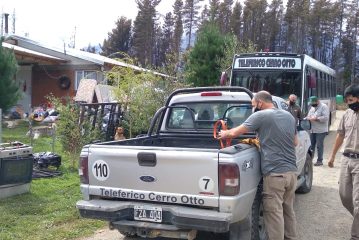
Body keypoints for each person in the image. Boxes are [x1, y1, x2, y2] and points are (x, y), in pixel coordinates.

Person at [218, 91, 298, 240]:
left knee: (274, 213)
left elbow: (234, 133)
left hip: (275, 175)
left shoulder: (260, 115)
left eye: (254, 105)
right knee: (288, 210)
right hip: (292, 173)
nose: (253, 108)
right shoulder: (289, 116)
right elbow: (295, 142)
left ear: (260, 103)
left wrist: (223, 133)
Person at [328, 84, 359, 240]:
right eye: (347, 100)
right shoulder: (347, 113)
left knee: (358, 203)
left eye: (351, 99)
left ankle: (355, 235)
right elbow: (340, 135)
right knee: (344, 196)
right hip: (346, 159)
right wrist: (332, 155)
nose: (349, 103)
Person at [305, 96, 329, 166]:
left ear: (317, 101)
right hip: (312, 130)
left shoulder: (324, 107)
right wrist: (307, 118)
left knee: (319, 145)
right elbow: (308, 116)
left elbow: (326, 117)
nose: (312, 104)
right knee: (311, 146)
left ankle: (320, 160)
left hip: (321, 130)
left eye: (313, 102)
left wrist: (316, 119)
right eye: (311, 103)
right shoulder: (312, 108)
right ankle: (310, 160)